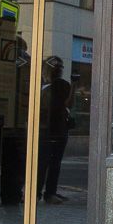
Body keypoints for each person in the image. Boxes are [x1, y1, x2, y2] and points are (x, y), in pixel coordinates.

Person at [37, 55, 74, 202]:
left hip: (50, 128)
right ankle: (46, 192)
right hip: (52, 128)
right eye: (56, 67)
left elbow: (68, 104)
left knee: (47, 162)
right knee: (50, 162)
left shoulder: (56, 84)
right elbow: (69, 104)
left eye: (59, 67)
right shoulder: (51, 84)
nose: (58, 70)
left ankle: (43, 192)